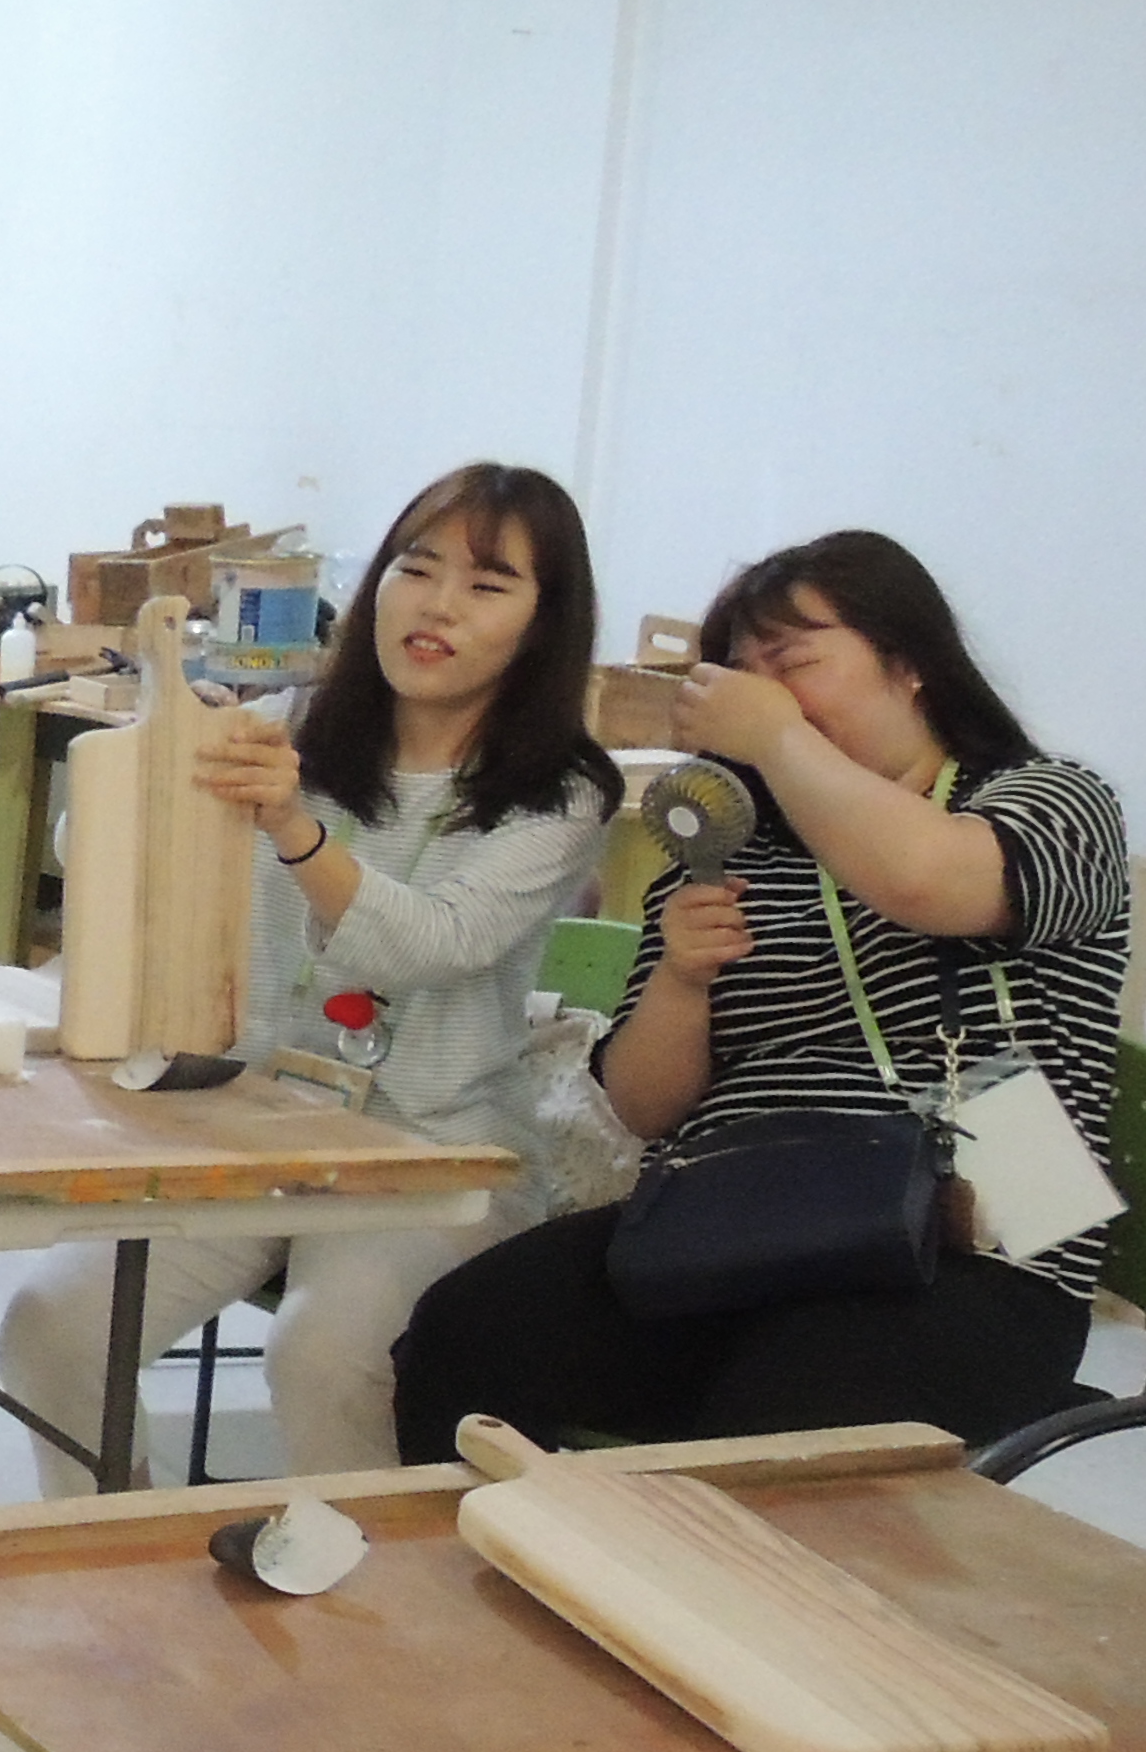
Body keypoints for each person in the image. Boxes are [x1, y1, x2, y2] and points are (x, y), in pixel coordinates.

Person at [394, 530, 1128, 1458]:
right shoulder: (725, 843)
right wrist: (681, 977)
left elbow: (926, 883)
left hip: (974, 1251)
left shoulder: (1049, 801)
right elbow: (644, 1107)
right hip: (729, 1228)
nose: (758, 693)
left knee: (785, 1413)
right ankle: (485, 1549)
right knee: (469, 1330)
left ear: (909, 663)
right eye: (741, 672)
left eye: (793, 661)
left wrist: (779, 737)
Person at [0, 465, 620, 1484]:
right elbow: (94, 856)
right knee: (50, 1325)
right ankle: (117, 1550)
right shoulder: (290, 726)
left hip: (437, 1153)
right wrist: (162, 755)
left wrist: (291, 827)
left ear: (545, 623)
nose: (438, 605)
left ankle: (363, 1580)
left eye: (487, 584)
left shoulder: (563, 790)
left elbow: (436, 943)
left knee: (322, 1356)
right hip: (260, 1124)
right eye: (417, 567)